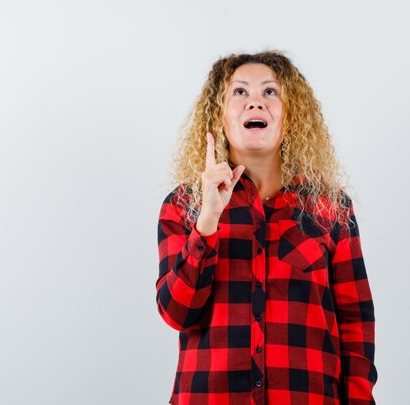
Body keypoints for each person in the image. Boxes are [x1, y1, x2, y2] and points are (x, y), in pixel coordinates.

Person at [155, 50, 377, 405]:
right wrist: (208, 221)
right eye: (239, 92)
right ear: (220, 115)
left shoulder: (329, 209)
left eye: (270, 92)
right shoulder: (184, 207)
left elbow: (355, 323)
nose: (255, 103)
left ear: (290, 117)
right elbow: (177, 312)